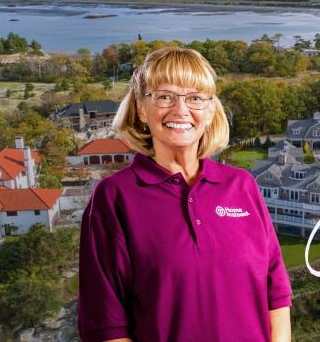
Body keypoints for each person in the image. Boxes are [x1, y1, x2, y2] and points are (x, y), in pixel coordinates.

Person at [78, 46, 292, 342]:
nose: (181, 111)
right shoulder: (114, 198)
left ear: (210, 110)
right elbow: (105, 325)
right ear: (141, 108)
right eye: (165, 96)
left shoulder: (242, 186)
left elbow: (277, 294)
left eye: (195, 98)